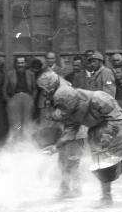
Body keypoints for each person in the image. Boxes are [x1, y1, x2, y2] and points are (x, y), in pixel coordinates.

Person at [40, 75, 122, 207]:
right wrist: (56, 146)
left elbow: (118, 117)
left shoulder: (99, 97)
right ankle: (106, 197)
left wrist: (109, 134)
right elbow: (70, 132)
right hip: (96, 131)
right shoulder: (70, 112)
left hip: (117, 127)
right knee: (102, 164)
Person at [36, 70, 85, 198]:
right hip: (67, 130)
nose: (46, 91)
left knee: (72, 161)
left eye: (46, 88)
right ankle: (65, 187)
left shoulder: (63, 93)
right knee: (63, 161)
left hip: (74, 132)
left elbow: (66, 115)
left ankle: (76, 189)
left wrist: (53, 116)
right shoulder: (61, 88)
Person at [3, 55, 36, 143]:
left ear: (25, 63)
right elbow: (4, 89)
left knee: (27, 121)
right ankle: (15, 143)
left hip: (27, 99)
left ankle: (26, 143)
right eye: (18, 63)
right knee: (16, 123)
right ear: (15, 64)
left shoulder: (30, 74)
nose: (20, 65)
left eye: (22, 63)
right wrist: (9, 101)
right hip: (15, 99)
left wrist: (32, 99)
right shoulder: (10, 74)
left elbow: (34, 89)